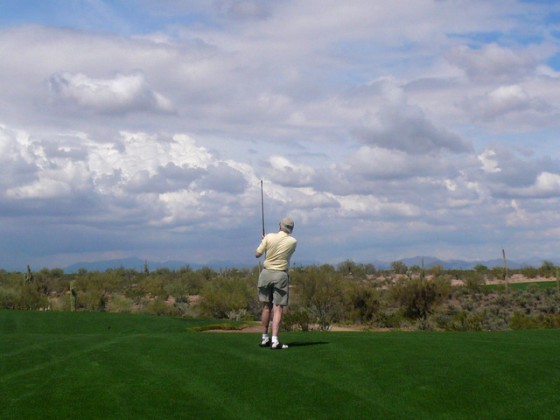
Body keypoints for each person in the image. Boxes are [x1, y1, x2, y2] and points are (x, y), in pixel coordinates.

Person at [255, 216, 297, 350]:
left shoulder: (269, 237)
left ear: (280, 225)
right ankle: (274, 340)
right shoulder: (293, 242)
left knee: (266, 307)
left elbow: (257, 254)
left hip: (266, 273)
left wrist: (265, 242)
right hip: (281, 275)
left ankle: (264, 337)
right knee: (278, 307)